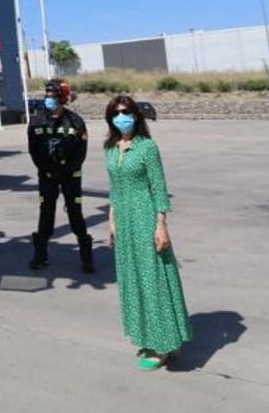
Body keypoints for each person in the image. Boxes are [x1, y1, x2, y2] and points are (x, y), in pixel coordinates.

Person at [104, 95, 192, 369]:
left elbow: (158, 187)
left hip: (145, 218)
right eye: (116, 114)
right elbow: (113, 188)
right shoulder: (110, 148)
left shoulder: (147, 148)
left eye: (126, 112)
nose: (121, 117)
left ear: (136, 115)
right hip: (124, 221)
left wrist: (161, 224)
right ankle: (153, 337)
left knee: (154, 280)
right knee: (134, 282)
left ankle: (162, 346)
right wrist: (111, 220)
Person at [27, 79, 94, 273]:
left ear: (63, 98)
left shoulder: (75, 122)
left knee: (75, 213)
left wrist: (67, 170)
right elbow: (34, 150)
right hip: (47, 174)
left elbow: (81, 152)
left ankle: (86, 256)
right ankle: (40, 255)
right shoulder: (36, 121)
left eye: (53, 96)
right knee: (46, 213)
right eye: (47, 96)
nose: (49, 100)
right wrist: (47, 169)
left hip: (70, 174)